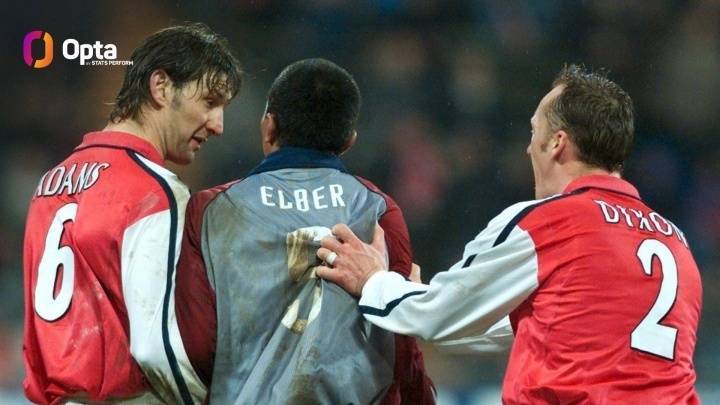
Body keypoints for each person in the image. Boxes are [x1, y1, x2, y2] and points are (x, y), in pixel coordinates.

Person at [316, 65, 702, 403]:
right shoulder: (675, 241)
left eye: (534, 130)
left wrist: (373, 280)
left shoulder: (550, 223)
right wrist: (414, 298)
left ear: (557, 143)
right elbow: (534, 324)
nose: (528, 148)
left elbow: (439, 315)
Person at [174, 58, 435, 404]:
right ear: (349, 140)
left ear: (269, 127)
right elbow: (401, 338)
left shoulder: (210, 210)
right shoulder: (378, 209)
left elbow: (196, 345)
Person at [22, 23, 242, 404]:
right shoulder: (152, 190)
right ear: (161, 87)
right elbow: (155, 346)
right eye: (209, 102)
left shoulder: (49, 183)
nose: (218, 125)